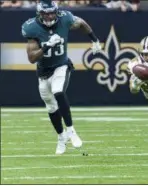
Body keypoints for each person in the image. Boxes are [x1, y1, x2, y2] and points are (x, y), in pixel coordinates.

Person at [21, 0, 102, 154]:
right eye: (46, 13)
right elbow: (31, 58)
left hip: (61, 65)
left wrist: (94, 40)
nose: (50, 16)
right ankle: (61, 136)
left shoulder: (65, 18)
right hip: (43, 71)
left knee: (58, 91)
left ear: (56, 11)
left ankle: (71, 130)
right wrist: (46, 46)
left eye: (52, 12)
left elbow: (82, 23)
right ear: (40, 13)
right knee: (51, 106)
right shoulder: (31, 27)